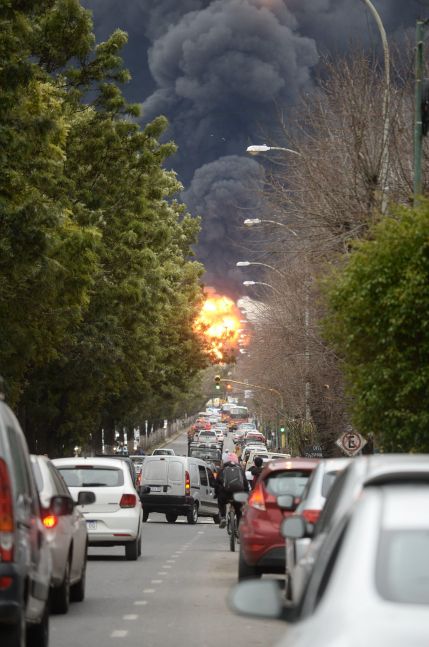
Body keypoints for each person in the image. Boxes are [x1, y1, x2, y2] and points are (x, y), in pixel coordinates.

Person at [215, 452, 249, 528]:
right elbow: (245, 483)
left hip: (225, 494)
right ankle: (238, 527)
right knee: (238, 510)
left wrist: (216, 493)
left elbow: (216, 483)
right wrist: (246, 493)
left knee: (221, 502)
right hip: (238, 494)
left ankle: (223, 517)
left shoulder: (222, 470)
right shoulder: (240, 469)